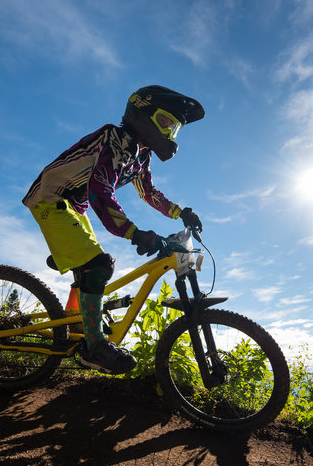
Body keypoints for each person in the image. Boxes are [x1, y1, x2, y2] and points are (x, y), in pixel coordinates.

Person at [23, 85, 205, 375]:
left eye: (175, 129)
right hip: (51, 198)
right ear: (143, 114)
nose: (170, 134)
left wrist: (180, 212)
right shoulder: (115, 139)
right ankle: (93, 348)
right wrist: (134, 232)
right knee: (99, 266)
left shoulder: (140, 156)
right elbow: (100, 191)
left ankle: (75, 324)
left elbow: (148, 193)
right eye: (165, 123)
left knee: (90, 270)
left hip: (72, 207)